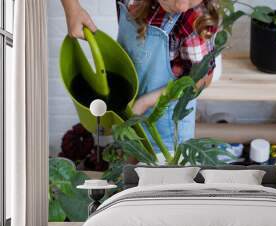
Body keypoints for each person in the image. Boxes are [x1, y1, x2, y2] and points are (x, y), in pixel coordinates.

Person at [61, 0, 219, 152]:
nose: (183, 6)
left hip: (168, 129)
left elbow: (202, 80)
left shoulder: (195, 18)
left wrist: (145, 102)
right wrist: (72, 9)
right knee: (130, 173)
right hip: (128, 113)